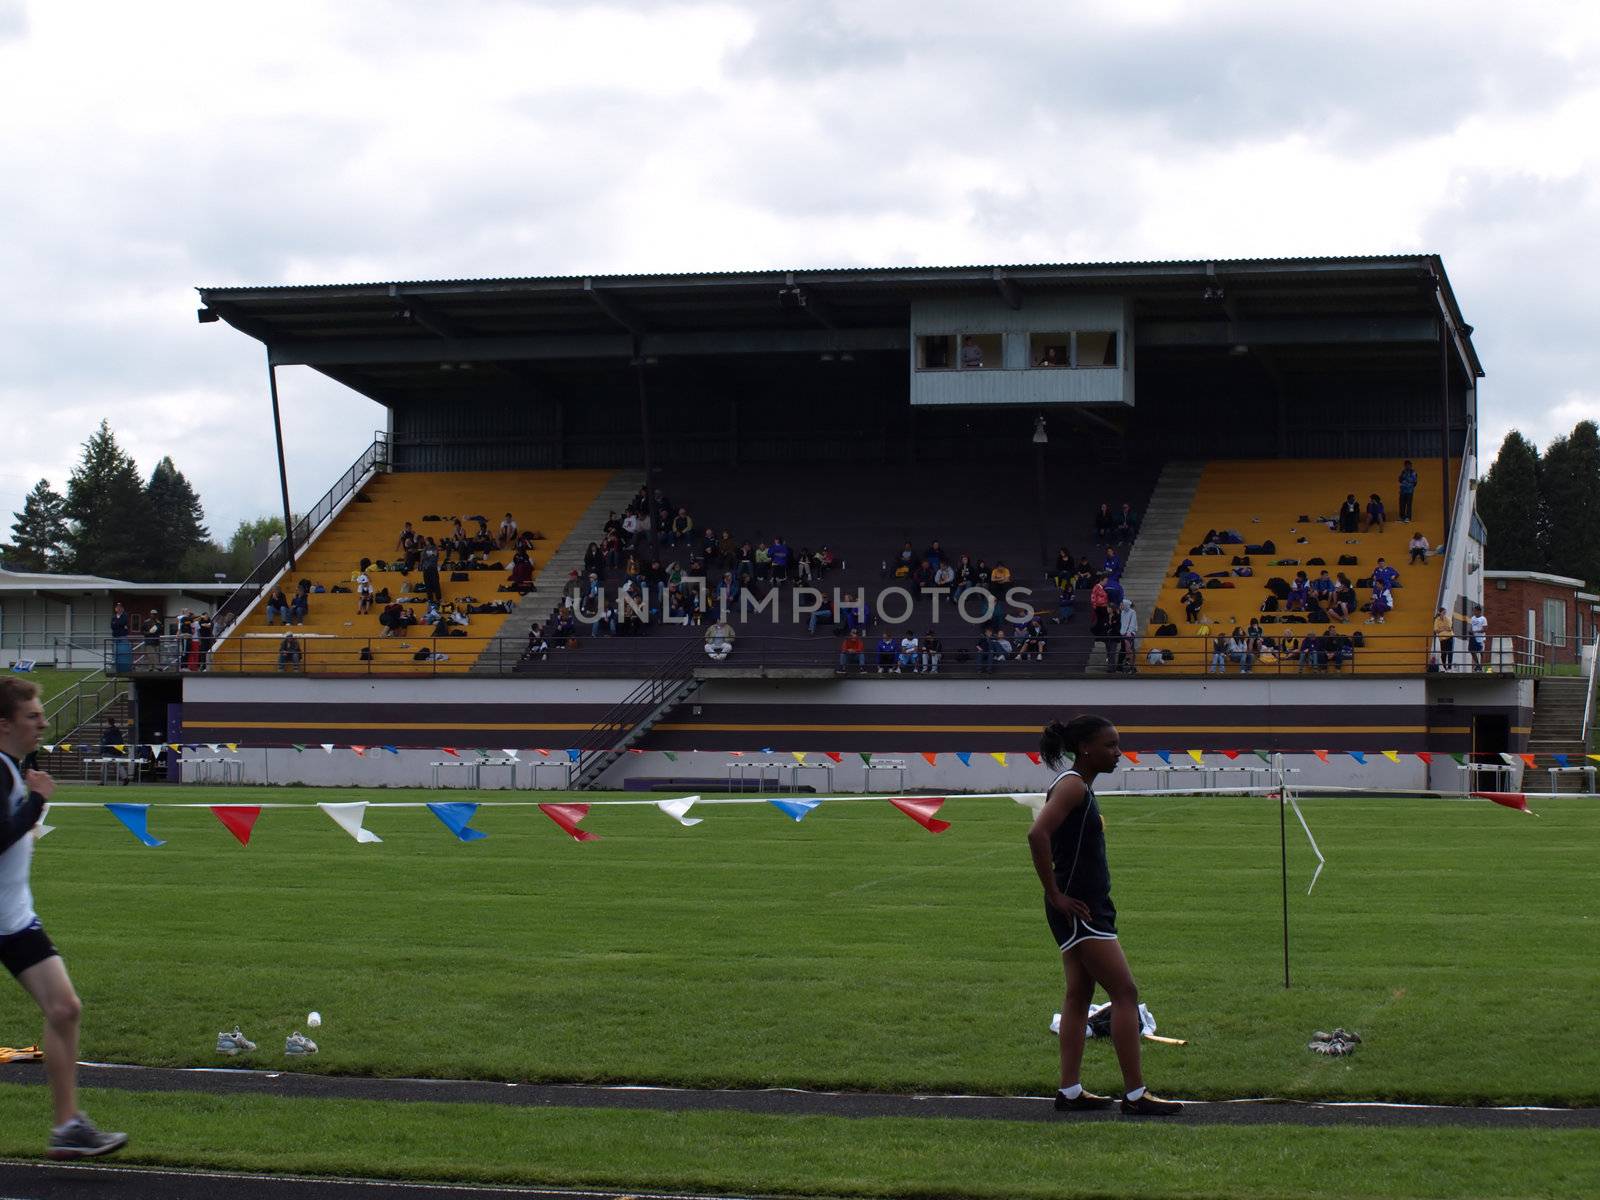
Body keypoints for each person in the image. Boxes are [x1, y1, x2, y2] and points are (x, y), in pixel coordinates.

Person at [0, 679, 130, 1158]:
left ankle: (68, 1127)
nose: (43, 722)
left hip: (13, 920)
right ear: (4, 724)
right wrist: (37, 801)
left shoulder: (15, 770)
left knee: (65, 1009)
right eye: (32, 716)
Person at [1026, 715, 1181, 1117]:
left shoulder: (1079, 786)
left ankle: (1071, 1091)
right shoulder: (1074, 785)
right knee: (1125, 993)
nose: (1118, 753)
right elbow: (1036, 834)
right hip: (1081, 908)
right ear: (1085, 749)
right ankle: (1135, 1095)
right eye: (1111, 746)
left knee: (1079, 995)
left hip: (1084, 905)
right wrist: (1055, 894)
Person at [1434, 606, 1455, 671]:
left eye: (1445, 612)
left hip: (1449, 637)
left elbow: (1449, 628)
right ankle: (1444, 667)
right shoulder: (1437, 620)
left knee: (1450, 653)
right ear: (1440, 613)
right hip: (1442, 639)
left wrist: (1441, 629)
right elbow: (1436, 630)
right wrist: (1444, 628)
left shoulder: (1448, 619)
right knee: (1443, 654)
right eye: (1443, 612)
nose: (1444, 614)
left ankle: (1449, 668)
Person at [1469, 604, 1487, 670]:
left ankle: (1481, 667)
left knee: (1481, 652)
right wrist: (1470, 631)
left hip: (1480, 638)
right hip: (1473, 637)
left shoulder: (1483, 619)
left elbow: (1484, 630)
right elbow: (1472, 626)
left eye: (1475, 611)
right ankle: (1477, 665)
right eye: (1474, 611)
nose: (1474, 612)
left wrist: (1475, 631)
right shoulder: (1472, 618)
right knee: (1471, 650)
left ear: (1479, 611)